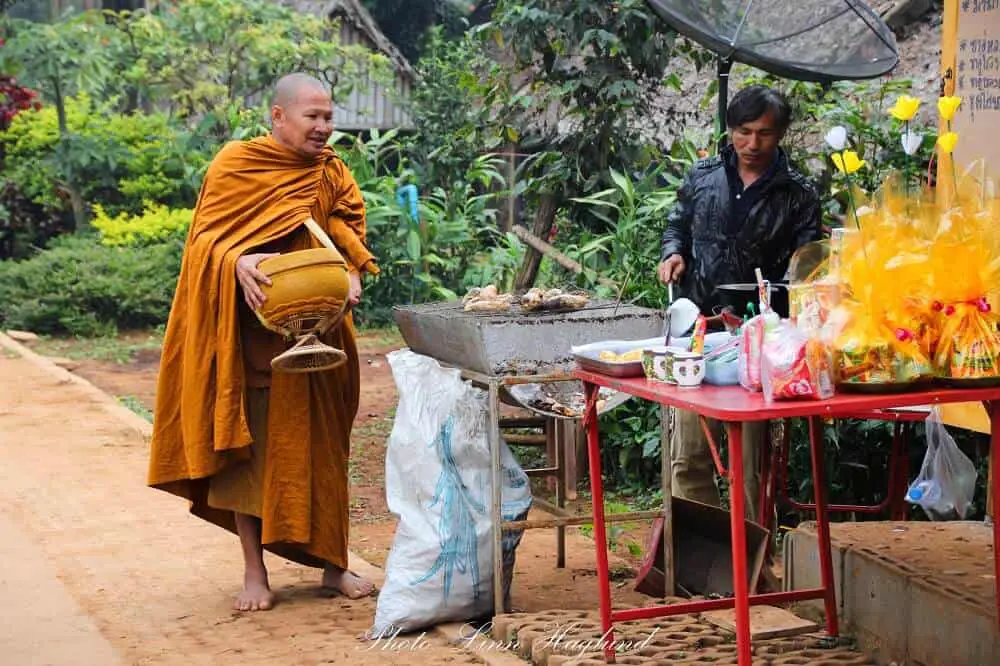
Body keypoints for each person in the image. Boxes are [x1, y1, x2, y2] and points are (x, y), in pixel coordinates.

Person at [147, 73, 380, 612]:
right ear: (278, 116)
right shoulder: (236, 164)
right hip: (254, 337)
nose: (324, 128)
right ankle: (255, 572)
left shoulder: (331, 171)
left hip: (321, 332)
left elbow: (344, 225)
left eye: (329, 117)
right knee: (248, 454)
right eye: (312, 117)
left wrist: (352, 270)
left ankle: (333, 565)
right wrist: (235, 260)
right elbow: (203, 238)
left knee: (326, 448)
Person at [657, 85, 822, 523]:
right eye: (744, 132)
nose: (753, 144)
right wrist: (673, 253)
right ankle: (698, 548)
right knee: (688, 454)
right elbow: (677, 223)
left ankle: (750, 554)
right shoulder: (703, 175)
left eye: (764, 134)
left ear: (781, 134)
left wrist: (793, 294)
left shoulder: (798, 193)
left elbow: (809, 264)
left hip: (757, 340)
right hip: (698, 329)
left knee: (747, 463)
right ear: (730, 130)